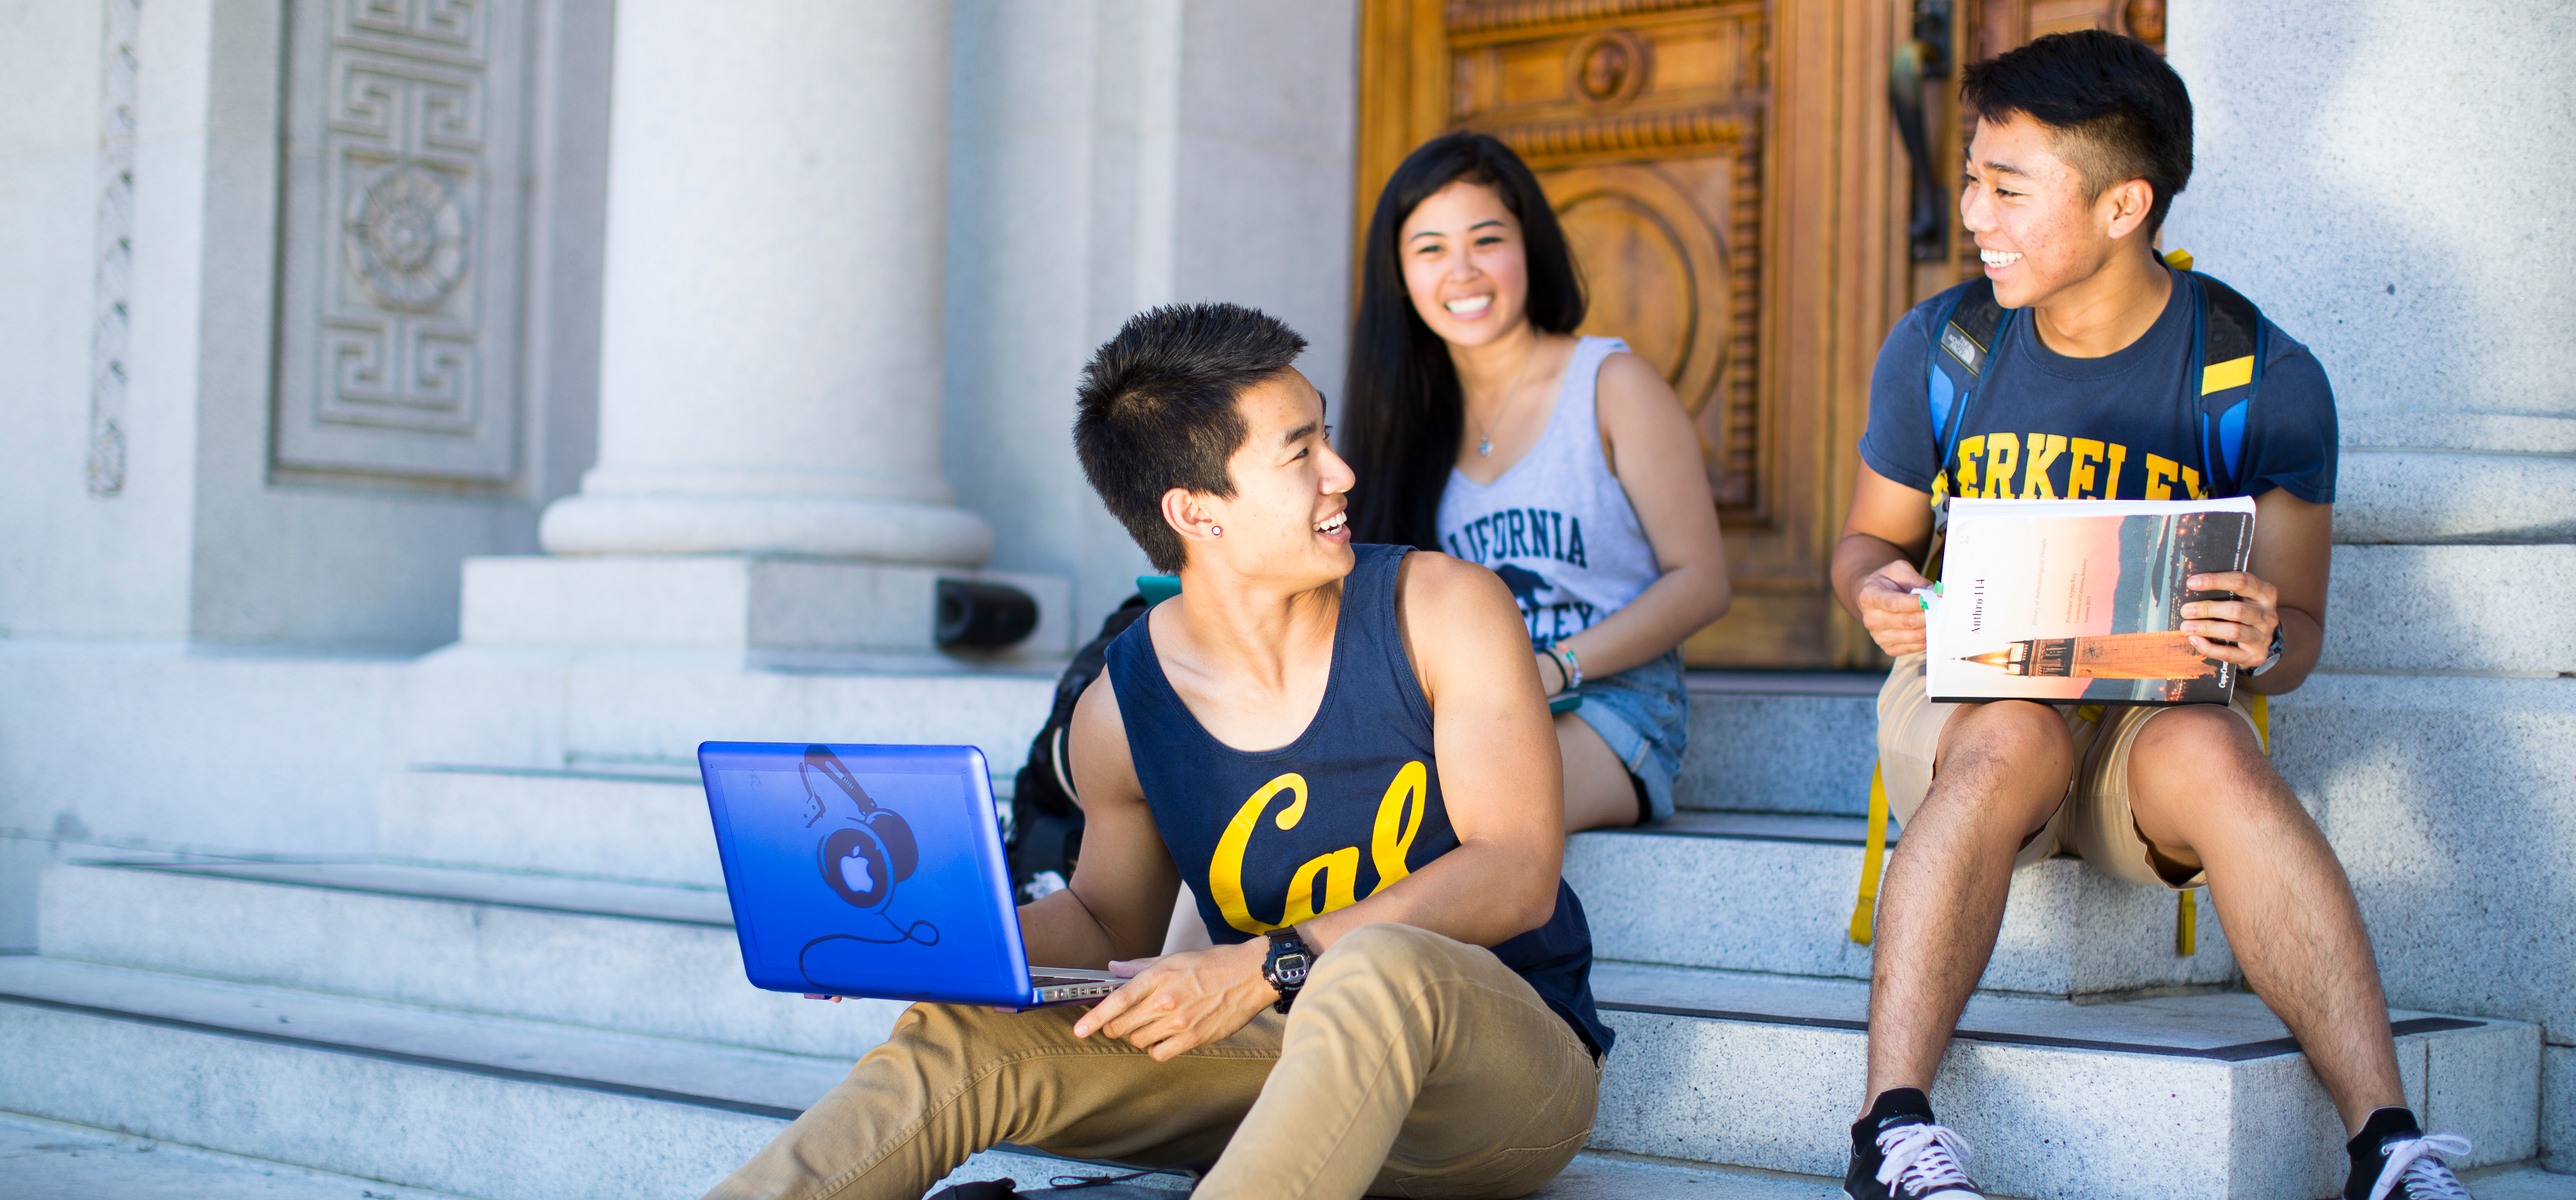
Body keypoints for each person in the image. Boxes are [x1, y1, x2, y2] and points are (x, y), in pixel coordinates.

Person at [702, 302, 1614, 1200]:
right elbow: (1108, 925)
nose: (1341, 472)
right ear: (1195, 511)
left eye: (1324, 437)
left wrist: (1271, 963)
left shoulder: (1443, 611)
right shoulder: (1119, 710)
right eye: (1301, 451)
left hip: (1487, 1080)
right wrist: (934, 949)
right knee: (956, 1036)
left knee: (1375, 964)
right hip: (1268, 1072)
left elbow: (1516, 870)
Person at [1831, 30, 2476, 1200]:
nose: (1974, 212)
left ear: (2124, 202)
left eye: (2007, 189)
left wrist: (2264, 640)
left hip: (2149, 726)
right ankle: (1890, 1133)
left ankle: (2388, 1146)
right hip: (1977, 704)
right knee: (2014, 728)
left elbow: (2300, 639)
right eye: (1973, 177)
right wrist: (1874, 588)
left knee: (2217, 750)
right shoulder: (1946, 348)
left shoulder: (2257, 375)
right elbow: (1864, 545)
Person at [1340, 132, 1733, 833]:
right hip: (1465, 706)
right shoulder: (1404, 421)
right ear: (1399, 275)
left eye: (1486, 240)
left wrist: (1556, 666)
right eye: (1430, 249)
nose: (1462, 272)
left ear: (1529, 247)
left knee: (1421, 821)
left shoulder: (1612, 385)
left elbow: (1702, 580)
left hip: (1610, 703)